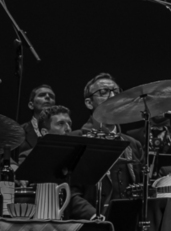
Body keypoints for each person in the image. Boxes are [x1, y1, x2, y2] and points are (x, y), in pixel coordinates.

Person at [67, 72, 143, 220]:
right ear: (89, 103)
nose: (113, 96)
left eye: (116, 92)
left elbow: (140, 188)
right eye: (104, 92)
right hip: (90, 224)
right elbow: (67, 191)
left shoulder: (134, 144)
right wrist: (93, 216)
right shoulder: (74, 139)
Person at [17, 84, 56, 154]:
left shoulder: (62, 130)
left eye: (51, 96)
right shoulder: (18, 132)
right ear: (31, 105)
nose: (47, 97)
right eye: (42, 95)